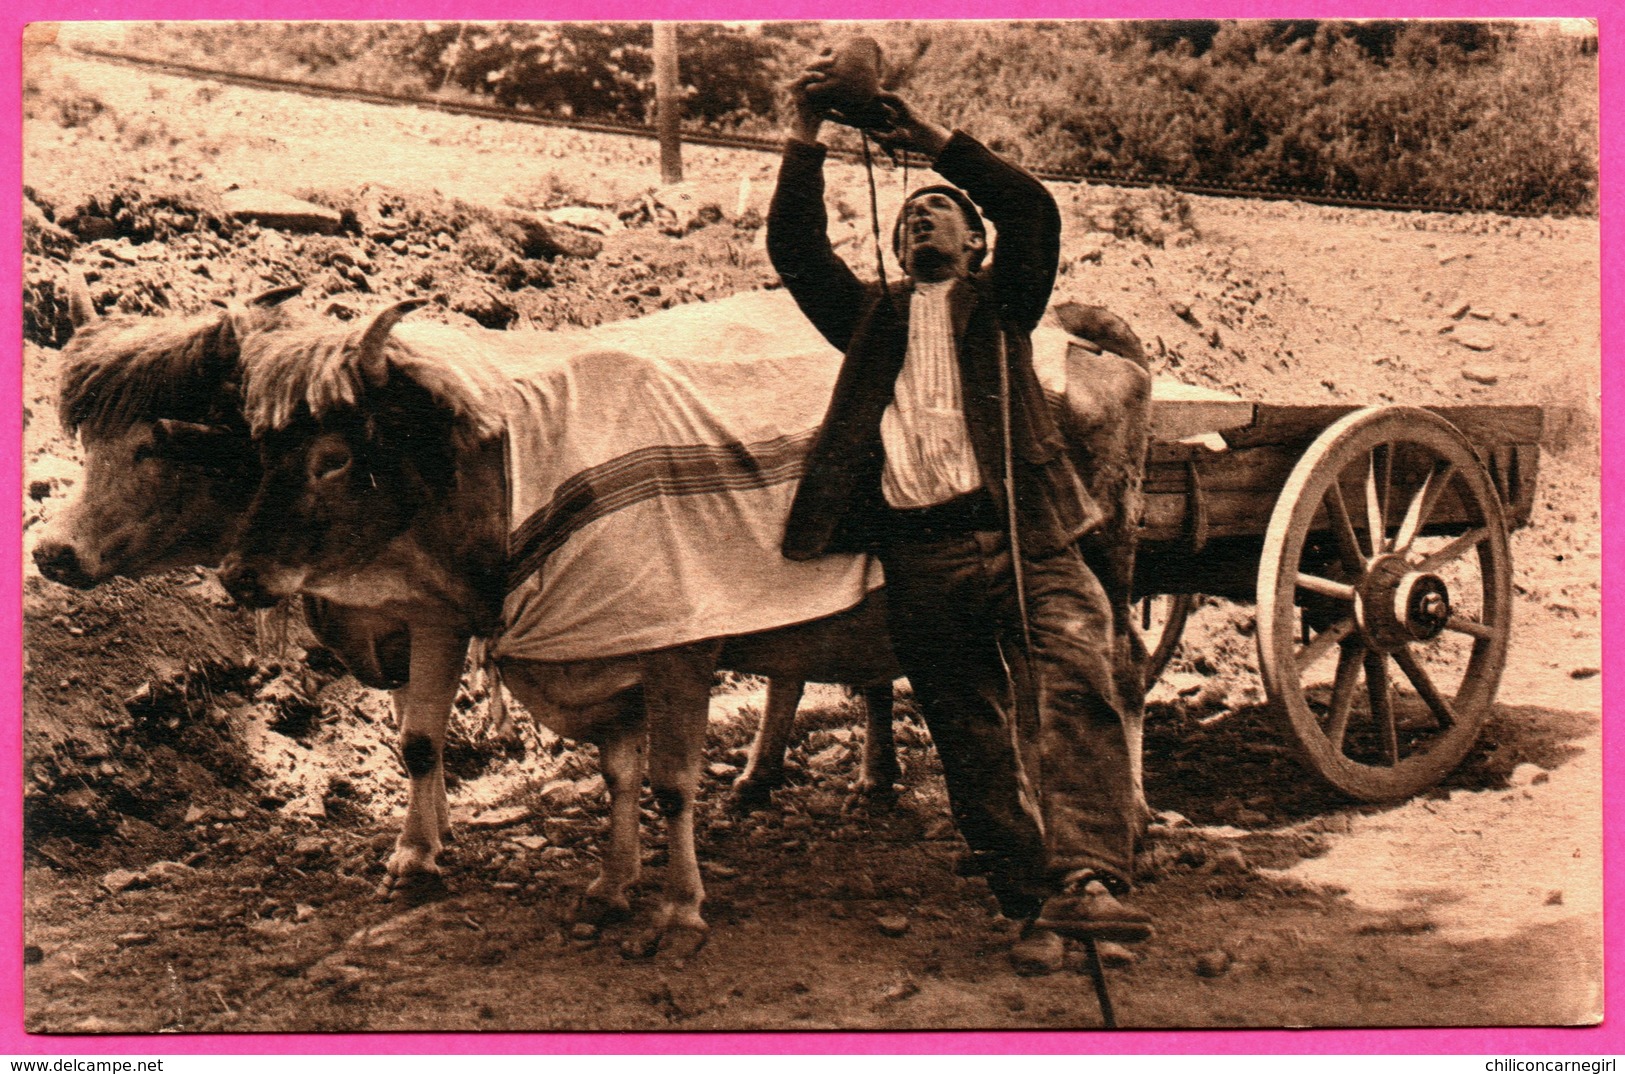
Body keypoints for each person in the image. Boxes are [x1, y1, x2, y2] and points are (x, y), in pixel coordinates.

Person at [767, 58, 1152, 972]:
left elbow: (1033, 213)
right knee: (967, 734)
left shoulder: (1005, 305)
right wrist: (802, 130)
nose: (920, 217)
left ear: (977, 245)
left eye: (941, 210)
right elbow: (795, 248)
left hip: (1026, 536)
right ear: (897, 250)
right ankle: (1034, 907)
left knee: (1076, 676)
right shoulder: (869, 319)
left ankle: (1093, 878)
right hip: (921, 556)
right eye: (909, 215)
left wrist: (933, 142)